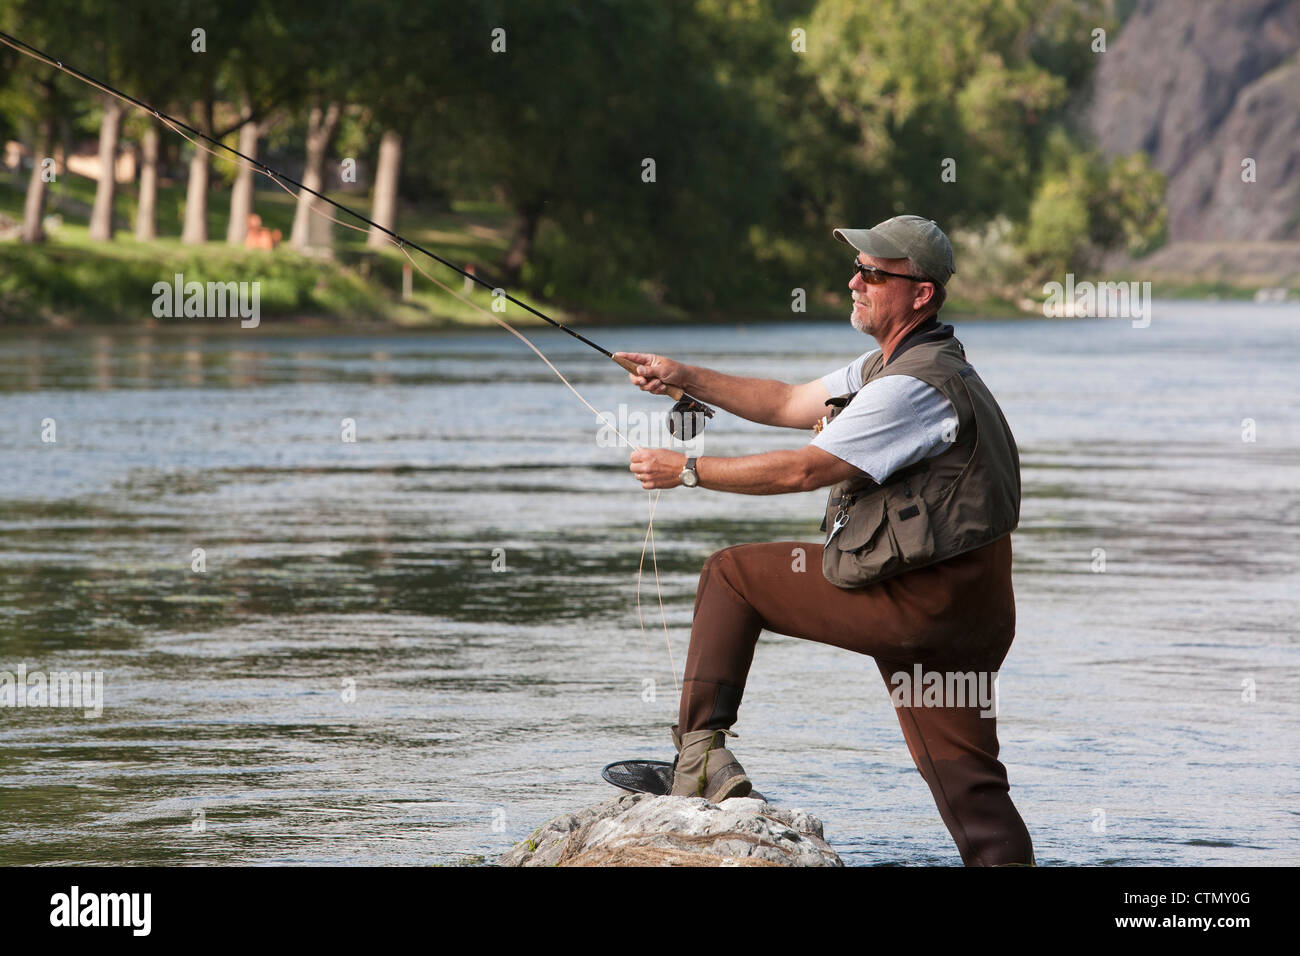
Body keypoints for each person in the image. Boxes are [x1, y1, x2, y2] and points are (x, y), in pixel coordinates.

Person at [618, 215, 1035, 866]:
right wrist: (683, 376)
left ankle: (697, 756)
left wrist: (688, 471)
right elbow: (787, 400)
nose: (854, 282)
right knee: (974, 795)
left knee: (731, 576)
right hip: (969, 615)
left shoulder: (909, 387)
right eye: (858, 269)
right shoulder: (903, 366)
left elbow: (804, 468)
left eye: (873, 273)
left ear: (920, 293)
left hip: (921, 606)